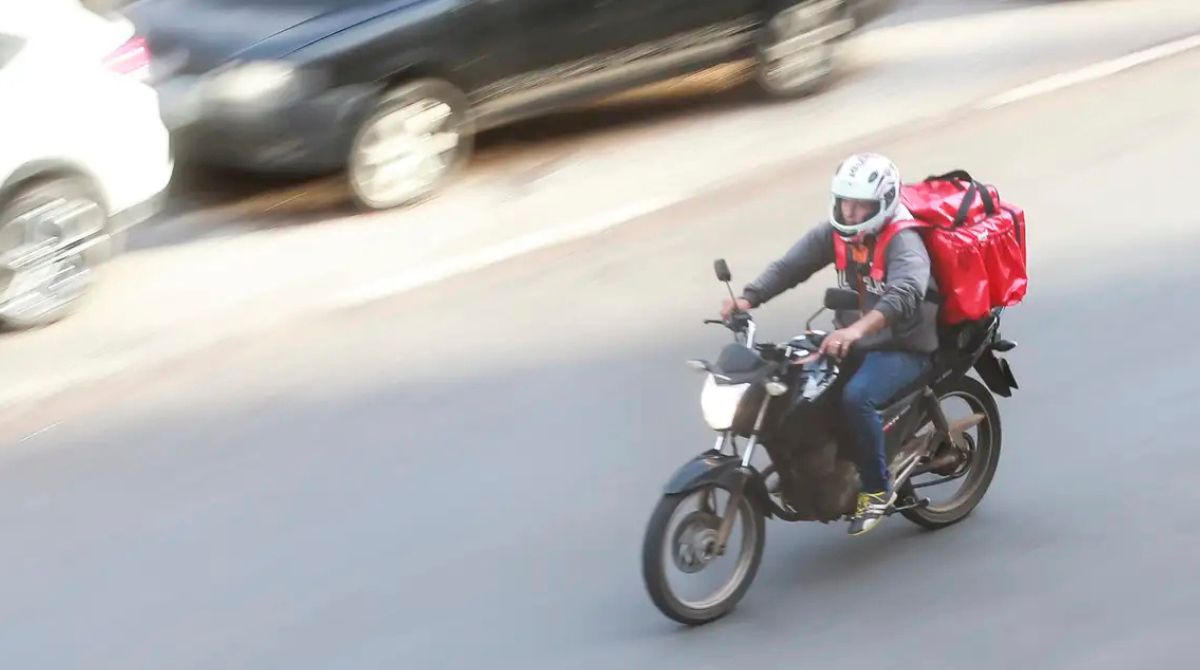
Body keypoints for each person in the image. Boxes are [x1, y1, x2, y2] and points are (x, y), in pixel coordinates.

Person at [719, 152, 939, 536]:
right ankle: (813, 467)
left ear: (883, 203)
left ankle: (875, 488)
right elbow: (792, 265)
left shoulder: (903, 241)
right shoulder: (836, 233)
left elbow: (905, 293)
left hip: (902, 346)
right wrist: (749, 297)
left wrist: (856, 331)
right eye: (846, 202)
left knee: (857, 397)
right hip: (850, 339)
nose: (851, 212)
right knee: (793, 384)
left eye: (861, 205)